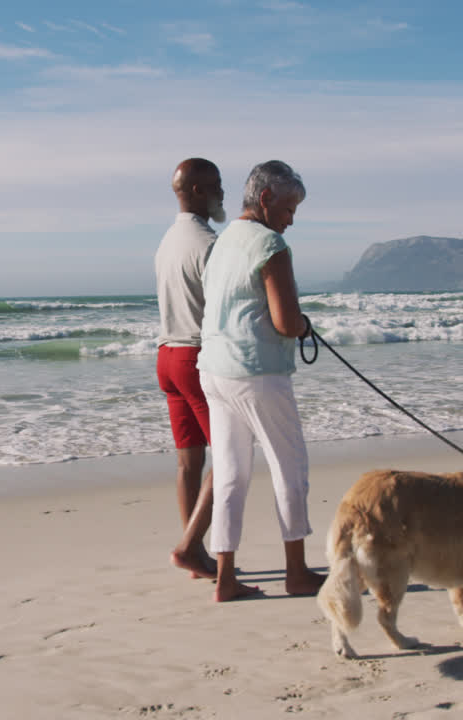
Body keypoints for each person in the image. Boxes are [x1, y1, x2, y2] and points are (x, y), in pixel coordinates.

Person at [196, 160, 325, 601]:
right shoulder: (270, 245)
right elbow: (286, 322)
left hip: (213, 368)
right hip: (259, 372)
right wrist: (305, 325)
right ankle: (296, 573)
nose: (291, 219)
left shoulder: (222, 243)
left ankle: (226, 578)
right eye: (289, 208)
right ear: (266, 199)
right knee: (291, 470)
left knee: (231, 475)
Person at [155, 157, 227, 580]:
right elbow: (223, 312)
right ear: (198, 190)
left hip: (166, 355)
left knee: (189, 463)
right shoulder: (209, 244)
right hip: (195, 356)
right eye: (216, 185)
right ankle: (189, 546)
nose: (222, 192)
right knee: (230, 458)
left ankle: (195, 552)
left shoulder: (167, 241)